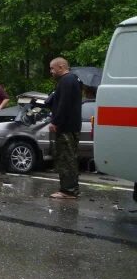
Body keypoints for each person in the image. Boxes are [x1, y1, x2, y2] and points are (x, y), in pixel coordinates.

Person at [48, 58, 82, 199]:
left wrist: (55, 122)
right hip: (71, 126)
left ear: (61, 67)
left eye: (52, 68)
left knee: (66, 158)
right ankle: (70, 188)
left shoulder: (66, 81)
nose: (51, 72)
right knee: (70, 157)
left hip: (66, 127)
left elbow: (64, 104)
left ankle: (68, 190)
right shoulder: (73, 80)